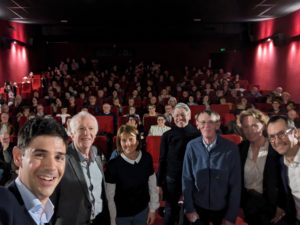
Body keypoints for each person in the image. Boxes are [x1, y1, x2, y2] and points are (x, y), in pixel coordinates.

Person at [0, 117, 68, 225]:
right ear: (18, 157)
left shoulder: (49, 213)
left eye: (59, 157)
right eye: (40, 155)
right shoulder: (3, 205)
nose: (51, 167)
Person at [182, 110, 241, 225]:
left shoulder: (231, 148)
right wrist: (189, 209)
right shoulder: (191, 146)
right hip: (198, 207)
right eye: (203, 122)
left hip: (222, 209)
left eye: (211, 122)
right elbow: (186, 179)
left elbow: (236, 184)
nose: (206, 126)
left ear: (218, 125)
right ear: (197, 125)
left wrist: (230, 216)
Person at [52, 111, 110, 225]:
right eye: (81, 128)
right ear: (72, 133)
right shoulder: (59, 160)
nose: (87, 133)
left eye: (91, 128)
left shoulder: (97, 155)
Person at [239, 109, 286, 225]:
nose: (250, 130)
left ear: (264, 125)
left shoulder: (276, 148)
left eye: (254, 125)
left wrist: (281, 206)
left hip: (271, 204)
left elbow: (285, 180)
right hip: (247, 204)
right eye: (246, 127)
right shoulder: (239, 149)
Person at [105, 125, 159, 225]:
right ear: (119, 143)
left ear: (138, 141)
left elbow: (152, 187)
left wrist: (152, 210)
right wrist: (112, 220)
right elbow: (110, 197)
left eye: (131, 139)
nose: (128, 144)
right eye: (124, 140)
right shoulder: (112, 165)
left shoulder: (147, 158)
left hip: (142, 212)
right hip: (121, 216)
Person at [157, 103, 199, 225]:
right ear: (172, 117)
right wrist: (159, 184)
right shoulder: (167, 135)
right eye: (176, 115)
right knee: (170, 210)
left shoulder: (197, 134)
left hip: (192, 179)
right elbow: (162, 160)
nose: (179, 118)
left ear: (189, 115)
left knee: (189, 211)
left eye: (183, 114)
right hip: (172, 178)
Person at [267, 115, 300, 225]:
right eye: (272, 136)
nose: (277, 141)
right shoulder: (280, 163)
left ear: (295, 132)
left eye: (282, 134)